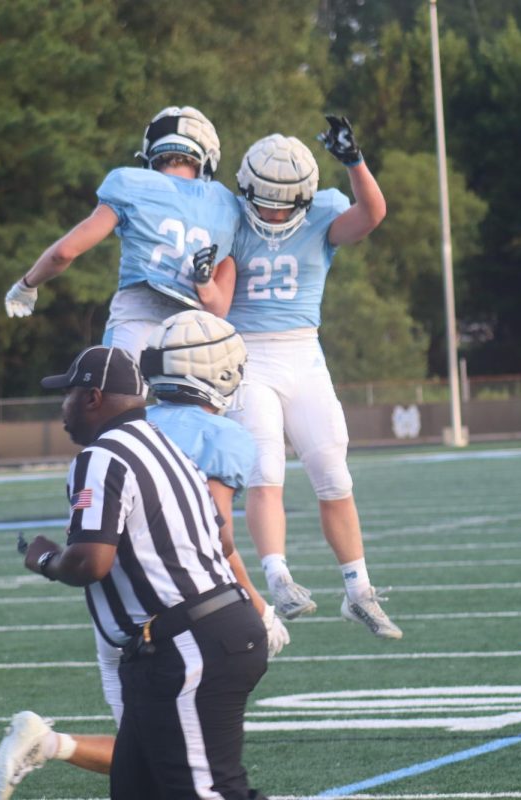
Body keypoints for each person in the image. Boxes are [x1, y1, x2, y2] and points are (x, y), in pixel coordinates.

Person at [0, 313, 288, 797]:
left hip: (186, 641)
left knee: (208, 792)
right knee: (138, 788)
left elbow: (90, 563)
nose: (62, 408)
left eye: (67, 395)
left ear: (92, 398)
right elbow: (222, 541)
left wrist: (44, 560)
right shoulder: (165, 447)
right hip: (200, 632)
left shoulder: (102, 455)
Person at [211, 117, 398, 639]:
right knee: (265, 469)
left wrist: (355, 160)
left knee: (333, 471)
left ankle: (358, 590)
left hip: (304, 353)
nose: (272, 211)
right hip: (247, 354)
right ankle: (280, 577)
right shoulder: (228, 217)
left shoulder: (323, 212)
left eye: (283, 201)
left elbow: (372, 214)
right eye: (264, 200)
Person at [4, 106, 241, 358]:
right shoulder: (225, 203)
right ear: (207, 159)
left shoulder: (129, 183)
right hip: (194, 332)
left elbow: (64, 252)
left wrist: (27, 285)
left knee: (120, 397)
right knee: (181, 399)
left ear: (150, 153)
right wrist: (203, 283)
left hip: (135, 317)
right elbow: (219, 308)